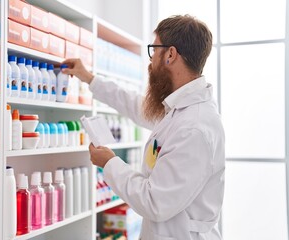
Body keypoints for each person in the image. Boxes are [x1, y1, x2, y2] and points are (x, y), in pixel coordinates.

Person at [62, 14, 225, 240]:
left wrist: (109, 162)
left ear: (170, 54)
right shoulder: (180, 111)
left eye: (153, 50)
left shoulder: (193, 127)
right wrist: (89, 79)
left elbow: (154, 202)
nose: (151, 61)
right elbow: (138, 106)